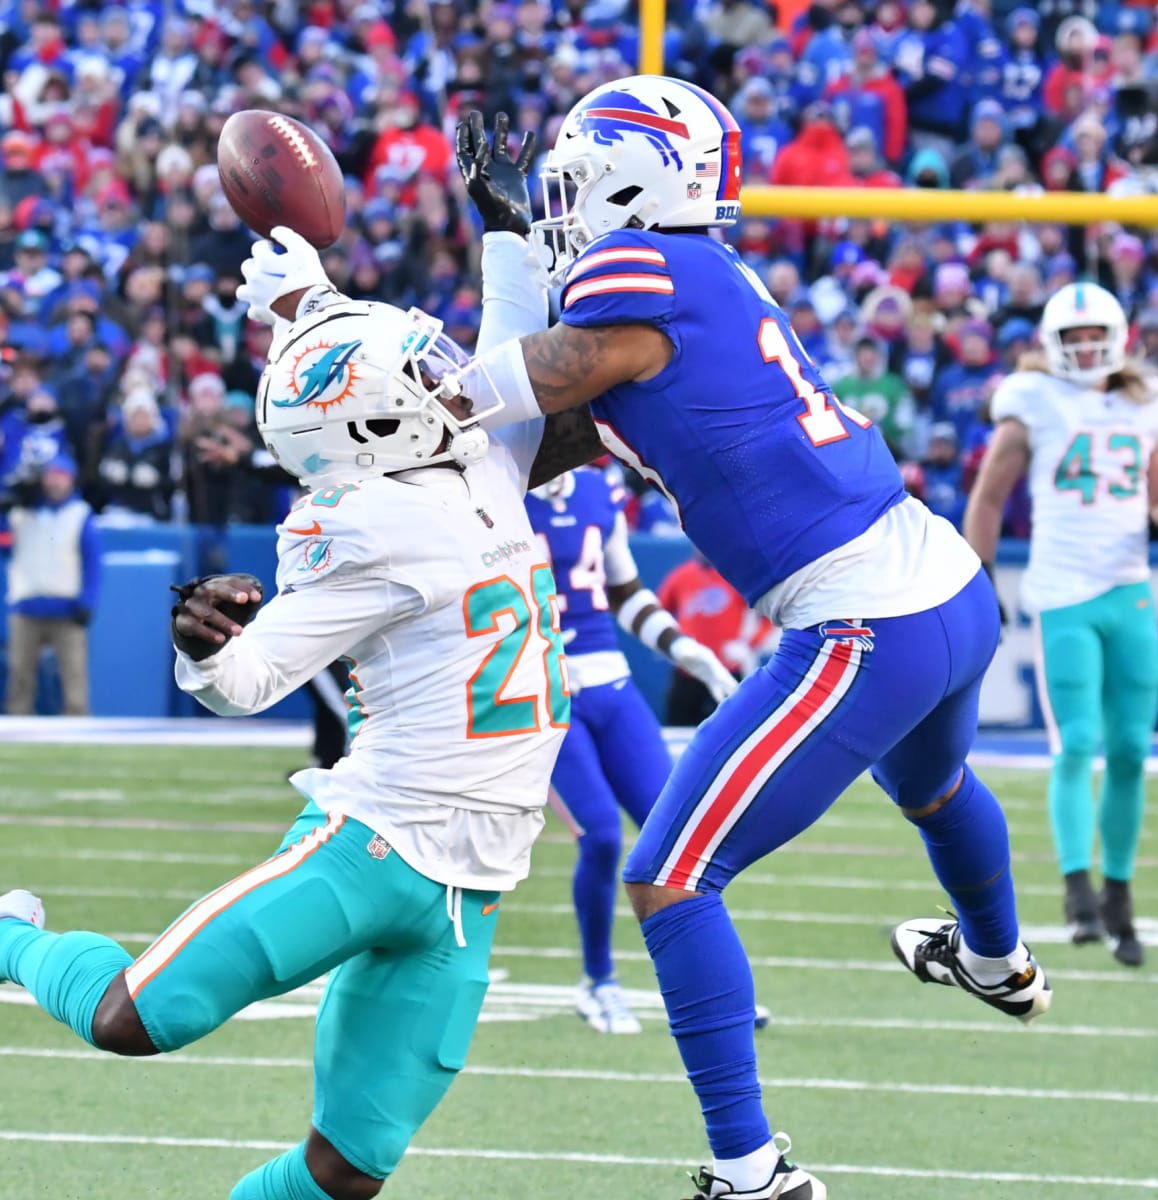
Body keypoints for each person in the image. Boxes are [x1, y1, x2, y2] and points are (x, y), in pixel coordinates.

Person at [455, 84, 1051, 1200]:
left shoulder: (640, 279)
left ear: (645, 179)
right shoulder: (698, 282)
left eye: (578, 183)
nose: (561, 209)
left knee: (671, 876)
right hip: (943, 587)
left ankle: (753, 1173)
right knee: (936, 788)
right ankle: (994, 959)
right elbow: (531, 441)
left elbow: (500, 400)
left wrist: (468, 297)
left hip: (865, 613)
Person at [0, 126, 588, 1200]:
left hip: (477, 885)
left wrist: (503, 240)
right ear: (374, 420)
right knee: (137, 1020)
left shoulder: (467, 457)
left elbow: (502, 355)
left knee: (346, 1171)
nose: (441, 369)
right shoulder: (363, 525)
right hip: (374, 844)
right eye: (416, 370)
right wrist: (200, 646)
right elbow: (251, 679)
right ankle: (8, 936)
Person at [963, 282, 1158, 969]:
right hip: (1063, 591)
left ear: (1119, 335)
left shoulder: (1147, 402)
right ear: (1053, 343)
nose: (1088, 348)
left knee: (1129, 747)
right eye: (1074, 337)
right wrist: (979, 572)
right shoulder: (1031, 401)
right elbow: (988, 495)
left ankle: (1119, 890)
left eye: (1097, 335)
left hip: (1128, 592)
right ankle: (1077, 889)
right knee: (1079, 743)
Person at [526, 466, 736, 1033]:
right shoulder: (496, 489)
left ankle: (710, 989)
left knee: (679, 838)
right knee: (601, 838)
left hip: (612, 684)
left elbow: (624, 592)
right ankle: (599, 983)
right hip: (544, 691)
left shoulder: (598, 489)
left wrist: (682, 649)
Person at [2, 455, 99, 715]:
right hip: (26, 605)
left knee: (74, 679)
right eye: (51, 475)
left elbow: (92, 563)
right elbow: (4, 547)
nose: (55, 481)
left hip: (66, 608)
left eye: (61, 475)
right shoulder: (21, 512)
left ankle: (78, 734)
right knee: (20, 681)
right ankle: (16, 741)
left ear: (71, 479)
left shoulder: (80, 513)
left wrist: (88, 600)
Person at [657, 552, 775, 727]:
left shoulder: (735, 576)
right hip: (689, 670)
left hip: (726, 670)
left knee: (731, 731)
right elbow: (658, 612)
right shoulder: (680, 575)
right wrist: (671, 643)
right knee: (678, 729)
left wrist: (749, 644)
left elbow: (767, 616)